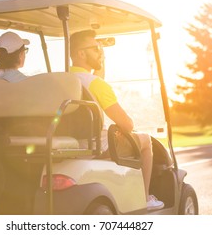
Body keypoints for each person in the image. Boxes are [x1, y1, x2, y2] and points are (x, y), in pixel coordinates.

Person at [69, 29, 164, 211]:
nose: (99, 52)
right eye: (96, 48)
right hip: (98, 145)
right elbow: (127, 125)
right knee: (145, 140)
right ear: (81, 53)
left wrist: (99, 60)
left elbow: (95, 79)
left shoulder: (63, 79)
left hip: (72, 145)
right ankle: (144, 198)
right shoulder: (96, 84)